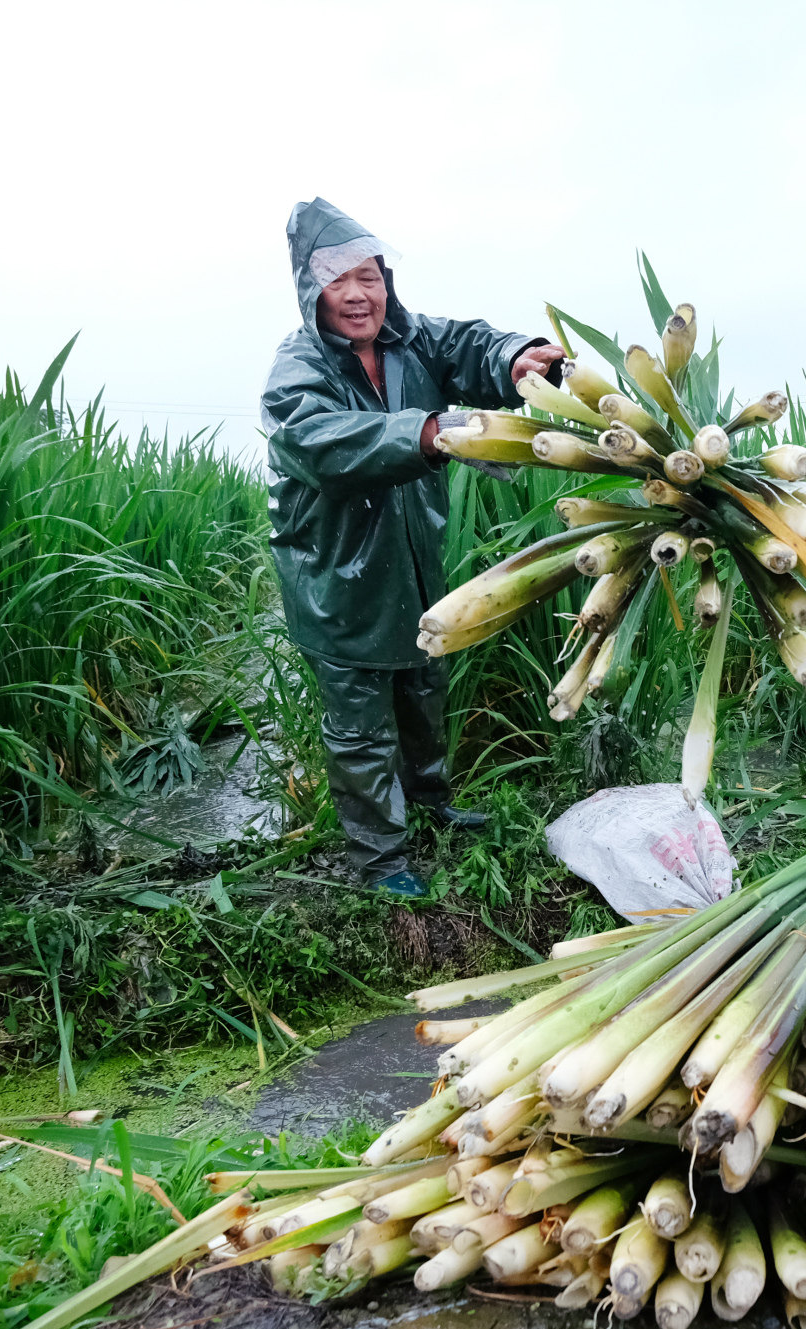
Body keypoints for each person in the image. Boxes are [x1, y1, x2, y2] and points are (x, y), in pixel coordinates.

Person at [261, 198, 564, 896]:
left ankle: (430, 803)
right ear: (311, 290)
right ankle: (381, 860)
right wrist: (429, 432)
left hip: (415, 559)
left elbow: (470, 345)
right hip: (338, 574)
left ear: (386, 281)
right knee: (361, 727)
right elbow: (317, 441)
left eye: (369, 277)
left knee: (424, 692)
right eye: (338, 280)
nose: (358, 295)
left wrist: (516, 357)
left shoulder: (413, 340)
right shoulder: (297, 368)